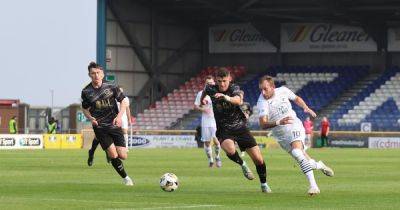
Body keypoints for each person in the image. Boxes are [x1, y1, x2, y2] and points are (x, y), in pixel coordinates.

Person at [257, 75, 334, 195]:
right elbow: (263, 124)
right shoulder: (262, 102)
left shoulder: (283, 90)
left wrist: (306, 107)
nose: (263, 92)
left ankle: (314, 186)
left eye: (265, 89)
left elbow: (296, 98)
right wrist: (279, 122)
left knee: (297, 152)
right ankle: (319, 165)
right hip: (281, 136)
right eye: (261, 89)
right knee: (303, 159)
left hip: (294, 125)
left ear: (273, 87)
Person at [200, 67, 271, 193]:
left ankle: (264, 184)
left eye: (224, 81)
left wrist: (225, 97)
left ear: (229, 79)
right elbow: (205, 90)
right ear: (216, 80)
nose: (222, 84)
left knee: (259, 160)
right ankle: (243, 165)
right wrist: (202, 100)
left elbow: (238, 100)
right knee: (230, 149)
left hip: (240, 127)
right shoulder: (211, 88)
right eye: (219, 81)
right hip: (224, 129)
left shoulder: (234, 88)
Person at [81, 61, 133, 186]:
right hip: (100, 127)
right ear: (89, 75)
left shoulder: (111, 87)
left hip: (114, 125)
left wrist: (120, 116)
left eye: (98, 73)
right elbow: (84, 108)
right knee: (113, 154)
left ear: (103, 74)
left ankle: (110, 150)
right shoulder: (86, 91)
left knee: (123, 155)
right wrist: (90, 118)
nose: (96, 75)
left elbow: (124, 102)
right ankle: (126, 178)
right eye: (93, 73)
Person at [88, 87, 131, 165]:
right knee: (98, 138)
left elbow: (127, 108)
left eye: (121, 92)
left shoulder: (124, 99)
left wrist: (128, 118)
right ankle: (92, 152)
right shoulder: (109, 97)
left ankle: (115, 151)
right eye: (119, 91)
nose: (119, 93)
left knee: (122, 133)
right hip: (106, 119)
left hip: (119, 119)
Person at [194, 75, 222, 168]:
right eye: (208, 83)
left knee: (217, 141)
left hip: (215, 120)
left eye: (211, 83)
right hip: (205, 121)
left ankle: (217, 157)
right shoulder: (201, 93)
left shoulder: (217, 93)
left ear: (214, 83)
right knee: (207, 142)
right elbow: (196, 106)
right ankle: (211, 160)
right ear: (205, 84)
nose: (210, 84)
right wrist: (203, 110)